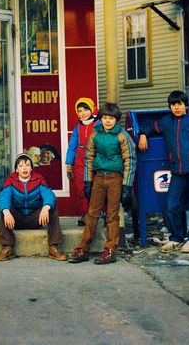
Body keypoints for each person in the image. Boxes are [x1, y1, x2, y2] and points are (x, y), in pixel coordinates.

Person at [137, 90, 189, 254]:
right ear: (170, 107)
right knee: (172, 205)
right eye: (173, 104)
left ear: (185, 105)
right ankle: (177, 237)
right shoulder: (166, 122)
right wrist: (143, 135)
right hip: (177, 171)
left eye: (180, 104)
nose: (177, 107)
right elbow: (150, 126)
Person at [68, 102, 136, 265]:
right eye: (105, 118)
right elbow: (89, 158)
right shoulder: (95, 134)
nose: (107, 121)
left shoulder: (122, 136)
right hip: (98, 177)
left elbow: (130, 160)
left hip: (115, 178)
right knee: (92, 213)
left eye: (111, 118)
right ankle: (84, 248)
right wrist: (88, 181)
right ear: (101, 119)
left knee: (112, 215)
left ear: (116, 120)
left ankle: (111, 249)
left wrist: (127, 185)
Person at [0, 152, 68, 261]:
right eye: (21, 166)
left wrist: (46, 207)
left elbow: (49, 194)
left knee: (52, 207)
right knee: (4, 210)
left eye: (28, 165)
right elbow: (4, 196)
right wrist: (6, 211)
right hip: (17, 220)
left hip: (35, 219)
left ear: (32, 168)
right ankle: (7, 247)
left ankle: (53, 247)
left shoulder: (38, 179)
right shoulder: (11, 180)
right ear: (16, 170)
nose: (25, 168)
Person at [65, 97, 97, 225]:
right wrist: (69, 165)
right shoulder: (77, 128)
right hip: (79, 161)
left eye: (85, 110)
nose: (83, 113)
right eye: (80, 111)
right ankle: (85, 213)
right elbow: (72, 146)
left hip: (95, 159)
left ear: (92, 109)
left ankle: (103, 212)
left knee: (97, 187)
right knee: (81, 187)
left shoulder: (99, 124)